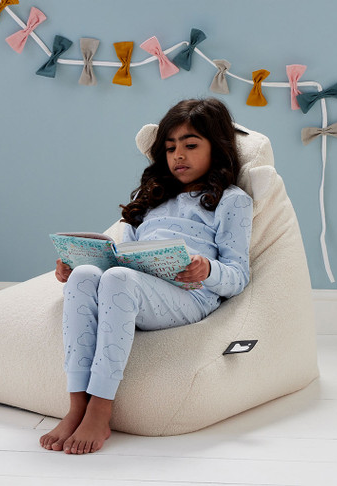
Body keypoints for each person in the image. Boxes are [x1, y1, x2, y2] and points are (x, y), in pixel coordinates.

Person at [40, 98, 253, 455]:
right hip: (137, 285)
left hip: (189, 294)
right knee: (88, 277)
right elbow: (124, 256)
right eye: (170, 148)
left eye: (190, 145)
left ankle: (100, 407)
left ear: (216, 148)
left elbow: (239, 274)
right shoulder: (152, 198)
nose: (178, 156)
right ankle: (77, 403)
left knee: (119, 280)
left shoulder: (232, 201)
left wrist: (208, 269)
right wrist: (76, 264)